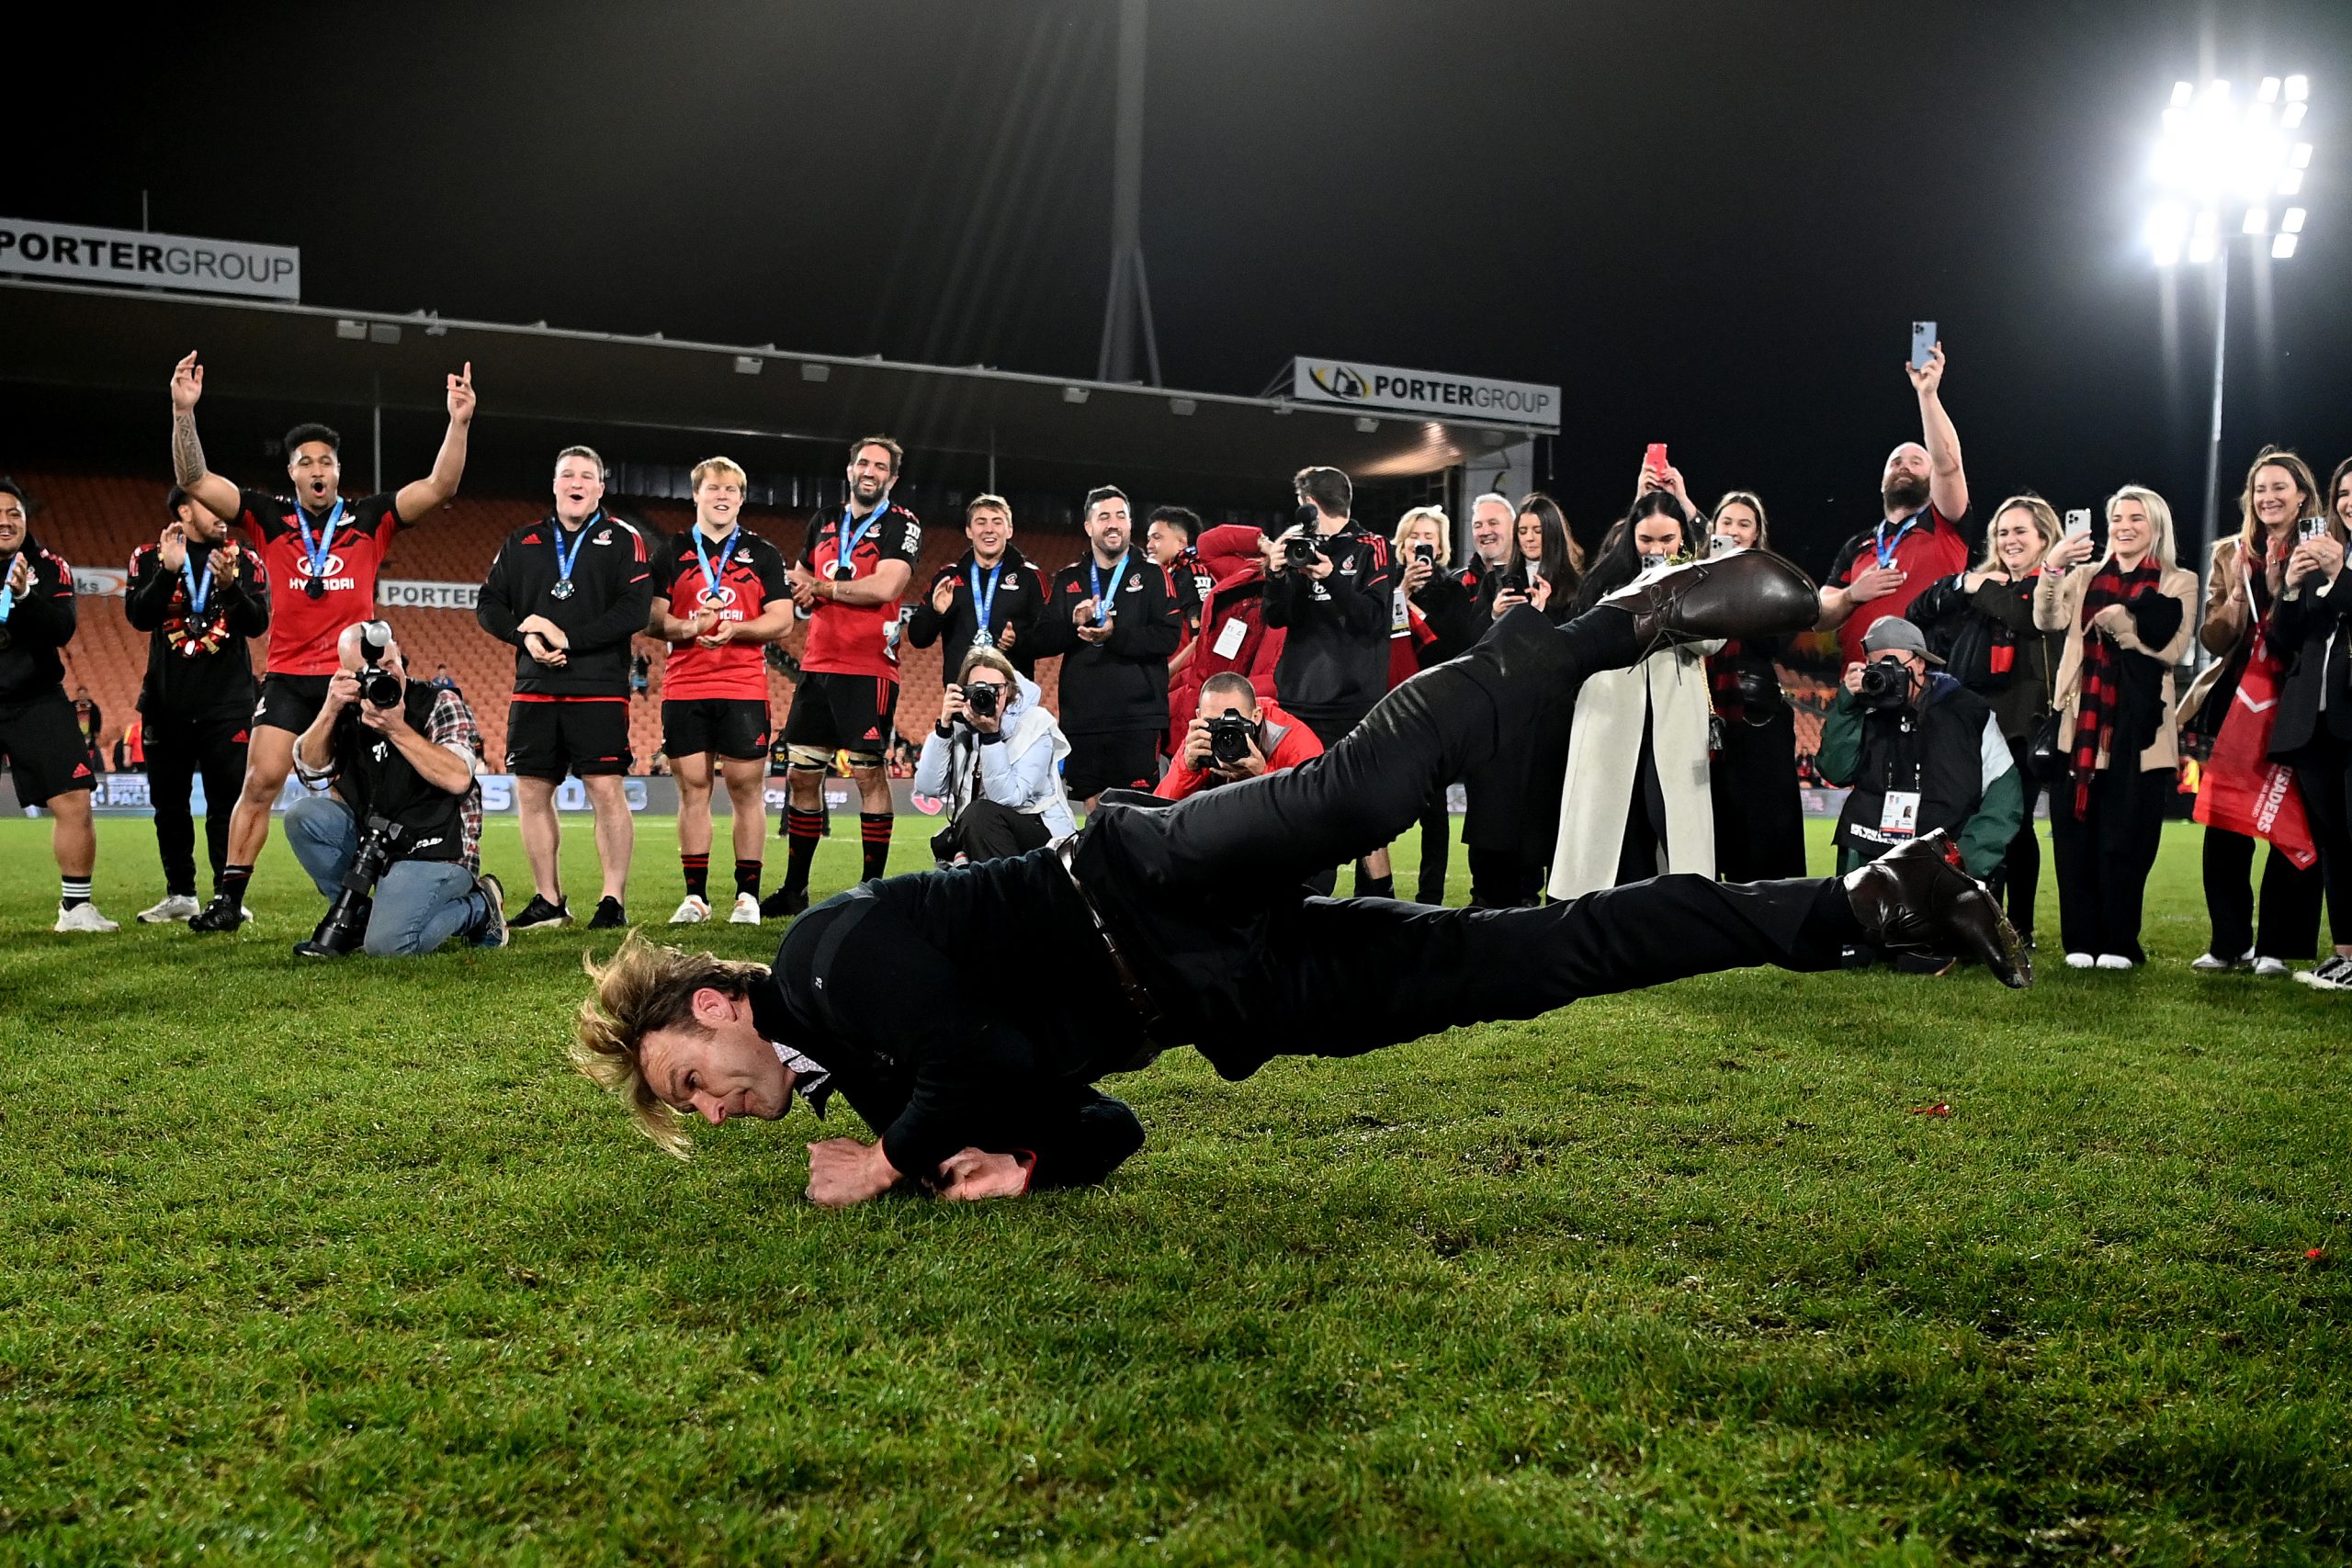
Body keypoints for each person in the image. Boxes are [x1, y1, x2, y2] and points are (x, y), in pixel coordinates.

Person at [569, 548, 2027, 1201]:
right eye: (689, 1105)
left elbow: (977, 1051)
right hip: (1221, 989)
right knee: (1530, 957)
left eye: (690, 1068)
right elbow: (1107, 1126)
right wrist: (1012, 1154)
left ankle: (1626, 616)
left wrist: (903, 1158)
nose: (714, 1100)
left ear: (716, 996)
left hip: (1139, 880)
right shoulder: (870, 1081)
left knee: (1373, 777)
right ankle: (1866, 902)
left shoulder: (824, 957)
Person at [165, 353, 474, 932]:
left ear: (337, 471)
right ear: (292, 473)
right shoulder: (266, 515)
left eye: (326, 461)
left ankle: (375, 898)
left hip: (356, 677)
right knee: (259, 781)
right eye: (305, 461)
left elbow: (441, 485)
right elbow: (195, 481)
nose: (317, 469)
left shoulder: (372, 517)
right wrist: (185, 413)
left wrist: (457, 422)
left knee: (364, 792)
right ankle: (229, 900)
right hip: (287, 676)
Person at [476, 446, 655, 931]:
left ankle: (612, 900)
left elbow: (634, 611)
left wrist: (569, 638)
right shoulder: (523, 541)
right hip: (534, 684)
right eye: (567, 475)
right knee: (532, 791)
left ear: (600, 487)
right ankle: (548, 900)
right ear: (554, 485)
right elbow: (488, 603)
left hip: (598, 684)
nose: (576, 483)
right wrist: (525, 637)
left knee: (604, 788)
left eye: (587, 476)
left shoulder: (625, 540)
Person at [2174, 451, 2329, 975]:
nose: (2269, 497)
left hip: (2301, 698)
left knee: (2296, 816)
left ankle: (2277, 947)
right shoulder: (2228, 553)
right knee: (2226, 824)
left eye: (2280, 487)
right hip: (2236, 699)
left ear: (2303, 494)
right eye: (2260, 488)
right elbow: (2212, 639)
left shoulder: (2325, 547)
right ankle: (2229, 943)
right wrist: (2237, 599)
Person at [2035, 485, 2198, 969]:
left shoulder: (2178, 581)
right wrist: (2052, 568)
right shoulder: (2083, 575)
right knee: (2074, 837)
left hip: (2140, 731)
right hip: (2079, 727)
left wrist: (2121, 624)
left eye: (2137, 519)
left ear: (2157, 527)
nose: (2125, 527)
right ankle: (2079, 940)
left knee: (2127, 837)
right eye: (2118, 518)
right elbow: (2047, 618)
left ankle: (2120, 941)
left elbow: (2172, 651)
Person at [767, 435, 922, 918]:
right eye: (863, 463)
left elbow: (886, 586)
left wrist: (823, 588)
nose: (870, 471)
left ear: (892, 478)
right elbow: (797, 580)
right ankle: (795, 890)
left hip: (869, 665)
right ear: (850, 469)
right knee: (802, 775)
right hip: (817, 665)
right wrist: (802, 594)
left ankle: (873, 888)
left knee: (868, 773)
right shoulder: (823, 521)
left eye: (880, 465)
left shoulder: (902, 523)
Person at [1816, 618, 2022, 973]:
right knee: (1854, 953)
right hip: (1872, 854)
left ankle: (1947, 930)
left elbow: (2006, 792)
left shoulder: (1969, 711)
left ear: (1920, 663)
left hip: (1941, 862)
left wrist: (1970, 856)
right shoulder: (1863, 708)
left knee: (1916, 961)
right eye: (1876, 664)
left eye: (1894, 663)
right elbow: (1835, 770)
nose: (1885, 673)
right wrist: (1847, 706)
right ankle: (1868, 927)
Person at [286, 622, 504, 956]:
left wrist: (397, 730)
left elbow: (459, 776)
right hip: (377, 843)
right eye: (366, 672)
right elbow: (310, 769)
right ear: (346, 675)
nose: (382, 677)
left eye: (389, 665)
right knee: (304, 816)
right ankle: (358, 920)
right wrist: (330, 710)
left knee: (390, 947)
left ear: (401, 657)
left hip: (438, 847)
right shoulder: (345, 710)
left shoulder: (439, 702)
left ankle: (479, 907)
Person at [1905, 494, 2069, 941]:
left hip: (2022, 721)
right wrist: (1963, 584)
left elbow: (2027, 617)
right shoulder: (1978, 585)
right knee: (1962, 817)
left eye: (2020, 531)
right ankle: (1966, 914)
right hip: (1971, 721)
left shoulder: (2054, 586)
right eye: (2002, 532)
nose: (2009, 540)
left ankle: (2020, 924)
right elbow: (1917, 611)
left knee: (2013, 825)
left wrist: (1981, 588)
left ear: (2044, 538)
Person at [649, 457, 796, 925]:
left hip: (743, 685)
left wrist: (736, 629)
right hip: (685, 684)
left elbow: (783, 620)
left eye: (732, 489)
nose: (722, 496)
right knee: (693, 788)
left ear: (741, 497)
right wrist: (690, 625)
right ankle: (695, 898)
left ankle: (746, 897)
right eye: (713, 488)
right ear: (696, 494)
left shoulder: (764, 553)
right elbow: (652, 618)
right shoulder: (671, 551)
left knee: (746, 788)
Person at [1551, 493, 1718, 899]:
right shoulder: (1605, 581)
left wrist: (1674, 597)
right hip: (1611, 717)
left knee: (1668, 821)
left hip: (1673, 720)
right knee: (1609, 824)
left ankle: (1684, 913)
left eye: (1667, 538)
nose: (1657, 549)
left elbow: (1712, 643)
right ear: (1631, 536)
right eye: (1646, 539)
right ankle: (1593, 912)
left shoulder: (1700, 577)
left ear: (1683, 537)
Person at [124, 484, 270, 923]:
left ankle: (227, 897)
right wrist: (168, 573)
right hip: (166, 704)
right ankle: (180, 893)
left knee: (227, 805)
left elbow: (258, 623)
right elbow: (138, 616)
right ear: (184, 511)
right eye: (211, 506)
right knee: (169, 805)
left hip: (227, 705)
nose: (223, 513)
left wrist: (228, 588)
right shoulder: (149, 555)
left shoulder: (244, 559)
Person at [1261, 465, 1396, 894]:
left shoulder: (1373, 546)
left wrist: (1330, 577)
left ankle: (1379, 909)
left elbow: (1373, 620)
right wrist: (1277, 574)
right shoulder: (1300, 548)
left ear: (1310, 505)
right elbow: (1276, 617)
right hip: (1301, 702)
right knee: (1306, 813)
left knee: (1362, 815)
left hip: (1354, 705)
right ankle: (1310, 903)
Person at [0, 478, 117, 931]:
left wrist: (26, 596)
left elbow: (61, 629)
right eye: (0, 512)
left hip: (35, 698)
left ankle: (76, 908)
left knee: (73, 798)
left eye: (15, 513)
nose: (7, 520)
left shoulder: (48, 567)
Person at [1815, 342, 1973, 667]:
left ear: (1933, 479)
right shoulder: (1858, 545)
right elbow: (1818, 616)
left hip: (1928, 685)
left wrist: (1927, 395)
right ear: (1882, 481)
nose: (1904, 465)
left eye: (1917, 461)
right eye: (1896, 461)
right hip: (1858, 688)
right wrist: (1851, 595)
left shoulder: (1946, 523)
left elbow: (1949, 465)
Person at [1030, 486, 1184, 807]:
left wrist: (1114, 636)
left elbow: (1167, 637)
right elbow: (1041, 640)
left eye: (1120, 516)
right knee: (1094, 810)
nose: (1113, 524)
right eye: (1104, 517)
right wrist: (1075, 624)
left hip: (1138, 717)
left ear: (1130, 524)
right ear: (1088, 526)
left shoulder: (1153, 574)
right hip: (1084, 717)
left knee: (1138, 810)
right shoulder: (1068, 579)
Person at [2261, 454, 2352, 988]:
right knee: (2335, 843)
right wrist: (2291, 588)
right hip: (2315, 721)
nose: (2347, 502)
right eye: (2342, 493)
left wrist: (2340, 573)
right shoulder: (2325, 558)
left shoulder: (2339, 561)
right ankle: (2346, 954)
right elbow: (2285, 641)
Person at [1701, 491, 1809, 882]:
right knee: (1708, 834)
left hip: (1756, 720)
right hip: (1701, 714)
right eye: (1726, 522)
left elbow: (1774, 643)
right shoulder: (1692, 578)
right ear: (1713, 529)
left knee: (1762, 839)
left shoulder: (1775, 582)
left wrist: (1739, 581)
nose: (1733, 530)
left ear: (1757, 534)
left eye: (1744, 524)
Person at [1386, 505, 1480, 903]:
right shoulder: (1381, 584)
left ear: (1440, 547)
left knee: (1435, 811)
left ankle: (1430, 898)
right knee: (1371, 801)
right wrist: (1400, 594)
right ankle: (1373, 888)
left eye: (1429, 537)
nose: (1420, 544)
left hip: (1432, 707)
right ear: (1401, 544)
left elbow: (1455, 648)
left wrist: (1419, 610)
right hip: (1384, 704)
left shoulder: (1453, 592)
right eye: (1413, 536)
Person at [912, 646, 1075, 863]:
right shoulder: (962, 729)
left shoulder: (1035, 724)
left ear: (1010, 690)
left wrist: (991, 737)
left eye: (995, 688)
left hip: (1042, 836)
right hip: (988, 832)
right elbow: (928, 787)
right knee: (961, 829)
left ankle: (999, 888)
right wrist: (943, 730)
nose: (987, 695)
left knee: (979, 815)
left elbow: (1008, 799)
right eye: (977, 689)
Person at [905, 493, 1051, 680]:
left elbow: (1049, 638)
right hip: (961, 696)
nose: (989, 529)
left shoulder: (1030, 578)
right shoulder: (949, 578)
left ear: (1009, 530)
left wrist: (1018, 641)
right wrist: (936, 613)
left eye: (997, 522)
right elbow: (918, 638)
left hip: (1014, 698)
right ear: (969, 530)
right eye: (981, 522)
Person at [1164, 522, 1284, 739]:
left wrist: (1232, 697)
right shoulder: (1248, 572)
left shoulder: (1303, 599)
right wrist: (1264, 543)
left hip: (1246, 711)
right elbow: (1207, 544)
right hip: (1199, 692)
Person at [1155, 671, 1324, 802]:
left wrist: (1263, 776)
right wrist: (1188, 769)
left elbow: (1313, 809)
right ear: (1199, 716)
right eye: (1216, 723)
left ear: (1256, 716)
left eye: (1235, 722)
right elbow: (1161, 808)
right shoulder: (1202, 735)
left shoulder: (1294, 740)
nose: (1225, 733)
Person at [1148, 504, 1216, 670]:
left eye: (1157, 537)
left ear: (1181, 542)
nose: (1149, 545)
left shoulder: (1191, 574)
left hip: (1181, 683)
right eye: (1149, 538)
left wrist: (1165, 676)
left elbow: (1200, 640)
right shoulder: (1166, 576)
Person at [1491, 492, 1579, 623]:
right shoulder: (1495, 580)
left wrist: (1540, 613)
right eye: (1522, 531)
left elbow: (1571, 637)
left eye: (1538, 531)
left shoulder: (1573, 585)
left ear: (1553, 533)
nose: (1529, 538)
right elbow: (1476, 636)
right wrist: (1495, 615)